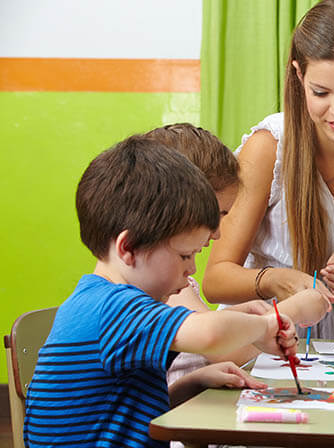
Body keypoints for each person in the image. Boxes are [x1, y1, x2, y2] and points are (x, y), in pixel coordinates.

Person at [23, 136, 298, 448]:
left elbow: (123, 410)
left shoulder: (102, 301)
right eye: (185, 255)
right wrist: (264, 326)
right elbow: (210, 335)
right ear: (128, 248)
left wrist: (190, 384)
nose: (192, 269)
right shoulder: (115, 308)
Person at [203, 0, 334, 340]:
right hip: (263, 337)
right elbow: (215, 281)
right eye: (321, 92)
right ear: (299, 75)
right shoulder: (269, 148)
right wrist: (274, 279)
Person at [141, 124, 330, 388]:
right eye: (214, 216)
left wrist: (244, 315)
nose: (218, 233)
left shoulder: (165, 280)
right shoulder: (162, 284)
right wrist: (293, 310)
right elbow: (227, 349)